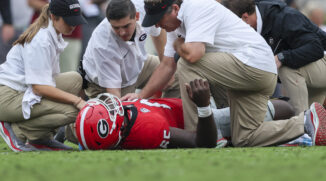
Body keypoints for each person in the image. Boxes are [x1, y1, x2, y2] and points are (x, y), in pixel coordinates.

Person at [122, 0, 326, 147]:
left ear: (175, 9)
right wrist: (141, 96)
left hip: (253, 66)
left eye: (159, 19)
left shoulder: (196, 6)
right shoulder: (175, 22)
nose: (157, 25)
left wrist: (178, 46)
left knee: (187, 63)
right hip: (250, 72)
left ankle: (199, 135)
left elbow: (194, 55)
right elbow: (166, 65)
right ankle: (307, 121)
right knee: (246, 138)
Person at [69, 78, 317, 150]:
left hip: (184, 101)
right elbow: (201, 142)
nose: (113, 107)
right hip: (199, 118)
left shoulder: (114, 126)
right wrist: (202, 106)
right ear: (115, 131)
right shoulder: (147, 131)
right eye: (110, 114)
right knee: (283, 108)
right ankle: (304, 126)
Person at [0, 0, 87, 152]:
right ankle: (12, 126)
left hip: (20, 91)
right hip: (6, 97)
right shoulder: (41, 40)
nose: (73, 26)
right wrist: (77, 100)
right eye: (68, 21)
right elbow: (39, 88)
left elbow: (46, 83)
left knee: (75, 79)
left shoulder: (53, 33)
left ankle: (40, 139)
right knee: (73, 111)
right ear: (53, 17)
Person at [222, 0, 326, 116]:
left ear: (245, 17)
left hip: (320, 62)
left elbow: (316, 49)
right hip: (308, 70)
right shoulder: (256, 23)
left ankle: (301, 125)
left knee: (286, 68)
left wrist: (282, 57)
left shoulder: (286, 17)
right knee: (317, 125)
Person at [82, 0, 179, 99]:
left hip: (137, 64)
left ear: (137, 16)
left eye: (126, 26)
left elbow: (158, 32)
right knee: (125, 112)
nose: (122, 32)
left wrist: (166, 65)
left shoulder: (144, 7)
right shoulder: (103, 45)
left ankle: (165, 111)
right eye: (116, 28)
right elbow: (114, 95)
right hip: (107, 84)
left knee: (176, 74)